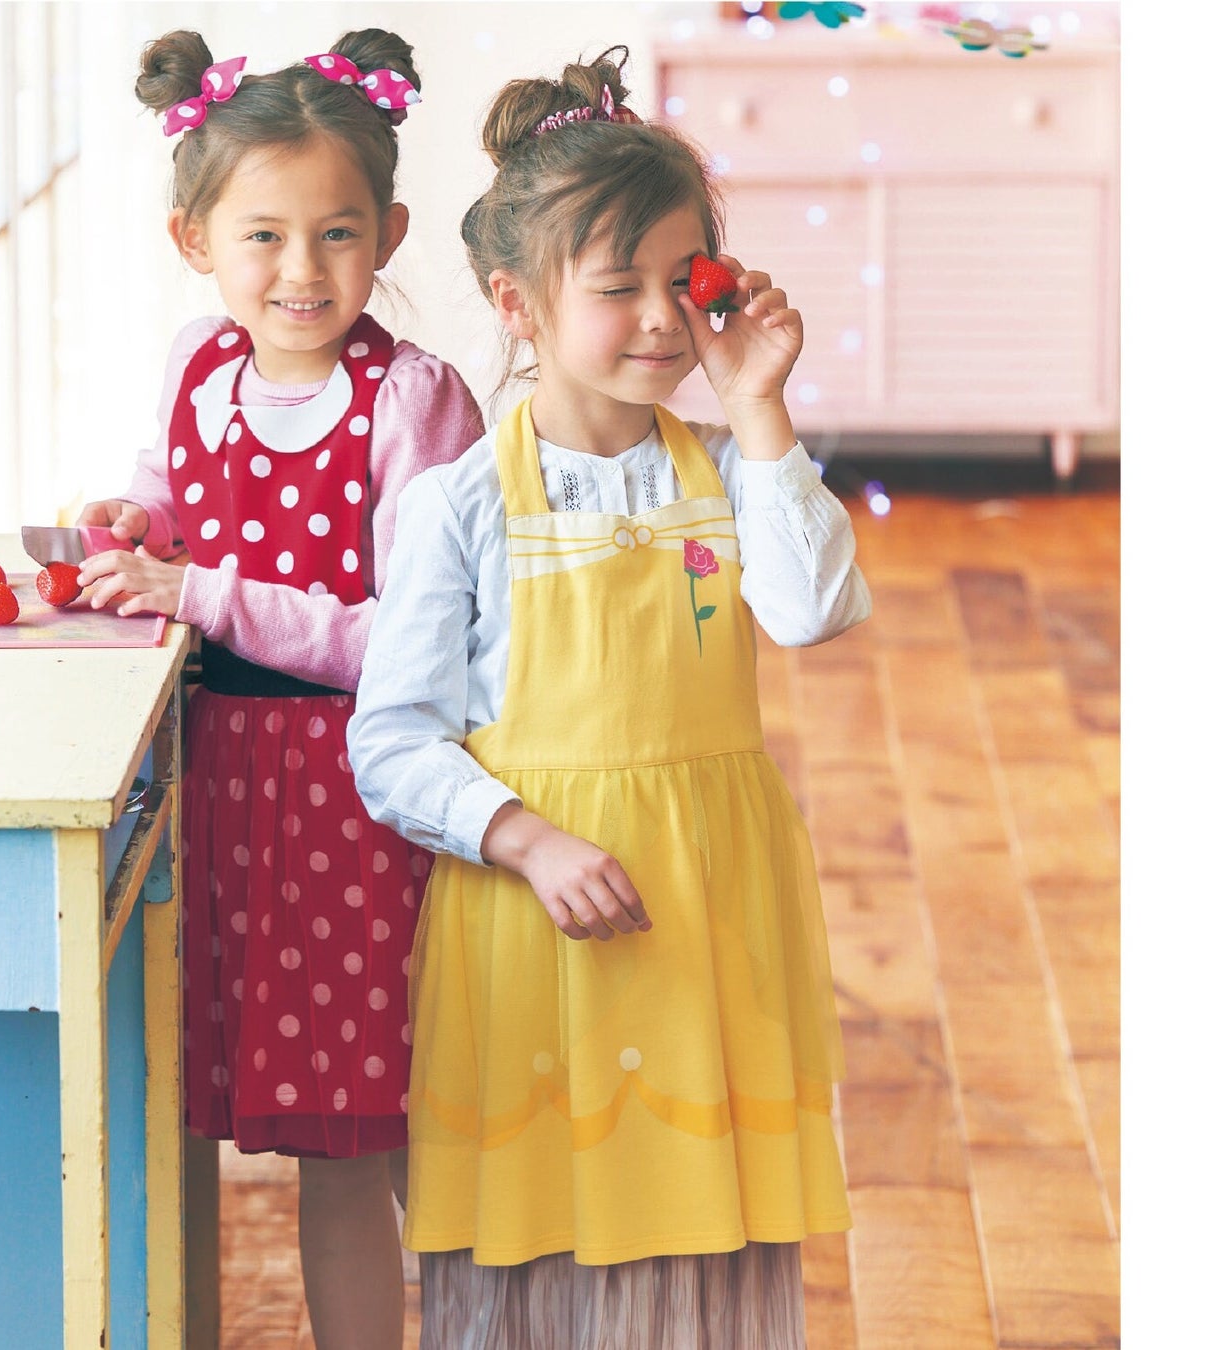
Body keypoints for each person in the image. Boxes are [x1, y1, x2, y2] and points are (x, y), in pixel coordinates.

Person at [347, 45, 873, 1349]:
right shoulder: (461, 503)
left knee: (702, 1233)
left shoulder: (732, 469)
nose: (658, 319)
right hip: (536, 926)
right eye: (615, 286)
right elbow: (392, 740)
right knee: (549, 1234)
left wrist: (760, 405)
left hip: (706, 914)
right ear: (516, 302)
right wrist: (526, 838)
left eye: (681, 280)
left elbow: (812, 608)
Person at [75, 28, 484, 1350]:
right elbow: (172, 488)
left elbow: (408, 643)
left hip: (367, 804)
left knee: (408, 1132)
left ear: (390, 232)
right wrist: (134, 522)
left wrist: (195, 590)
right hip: (231, 799)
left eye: (337, 234)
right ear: (195, 238)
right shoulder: (201, 363)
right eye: (264, 236)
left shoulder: (412, 401)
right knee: (328, 1149)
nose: (302, 270)